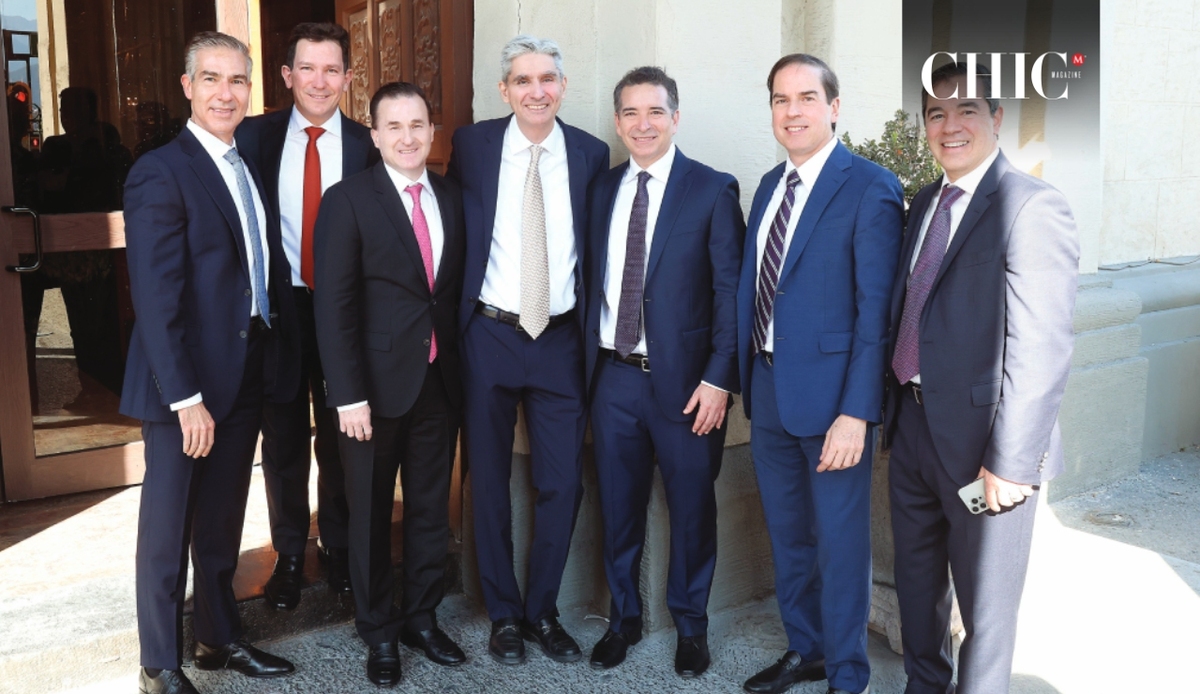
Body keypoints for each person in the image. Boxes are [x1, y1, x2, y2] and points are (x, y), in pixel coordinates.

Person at [883, 61, 1078, 694]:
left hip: (985, 448)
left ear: (996, 118)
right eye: (936, 113)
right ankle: (923, 685)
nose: (950, 124)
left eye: (967, 109)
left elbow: (1042, 346)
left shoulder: (1032, 206)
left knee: (986, 610)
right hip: (911, 428)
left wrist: (1014, 463)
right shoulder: (922, 203)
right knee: (917, 586)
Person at [120, 31, 299, 694]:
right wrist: (184, 396)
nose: (227, 92)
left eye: (238, 80)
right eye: (213, 79)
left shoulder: (240, 161)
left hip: (243, 371)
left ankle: (218, 639)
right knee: (167, 531)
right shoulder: (160, 170)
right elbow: (156, 296)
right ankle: (159, 665)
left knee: (223, 520)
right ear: (188, 87)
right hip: (185, 385)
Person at [737, 54, 903, 694]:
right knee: (789, 537)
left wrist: (857, 412)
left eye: (807, 97)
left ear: (834, 107)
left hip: (835, 405)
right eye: (781, 99)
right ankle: (804, 650)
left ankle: (847, 672)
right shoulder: (768, 187)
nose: (793, 110)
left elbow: (875, 315)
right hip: (771, 391)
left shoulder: (869, 186)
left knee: (839, 545)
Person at [446, 35, 608, 666]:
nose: (535, 91)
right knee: (485, 480)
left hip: (561, 338)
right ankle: (504, 616)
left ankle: (543, 610)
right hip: (487, 332)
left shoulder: (592, 154)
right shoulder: (472, 146)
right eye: (522, 80)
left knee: (562, 482)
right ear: (504, 90)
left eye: (546, 79)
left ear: (562, 87)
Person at [581, 66, 744, 678]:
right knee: (617, 507)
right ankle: (623, 620)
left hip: (688, 386)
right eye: (630, 113)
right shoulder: (603, 190)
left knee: (692, 507)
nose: (642, 124)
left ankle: (691, 627)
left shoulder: (711, 189)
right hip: (615, 377)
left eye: (655, 112)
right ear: (619, 121)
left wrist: (719, 379)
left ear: (675, 118)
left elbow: (731, 293)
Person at [313, 81, 466, 687]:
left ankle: (422, 618)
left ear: (432, 132)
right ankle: (379, 631)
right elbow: (335, 306)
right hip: (370, 392)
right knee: (371, 512)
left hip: (438, 380)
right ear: (373, 136)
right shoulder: (348, 199)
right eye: (393, 127)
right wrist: (346, 395)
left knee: (430, 508)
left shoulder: (451, 197)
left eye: (418, 125)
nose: (408, 137)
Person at [235, 21, 380, 610]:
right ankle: (291, 555)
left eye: (332, 69)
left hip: (348, 311)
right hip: (282, 310)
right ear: (287, 75)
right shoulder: (251, 139)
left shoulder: (371, 146)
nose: (320, 81)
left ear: (348, 77)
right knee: (286, 438)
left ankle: (341, 551)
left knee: (345, 440)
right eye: (308, 68)